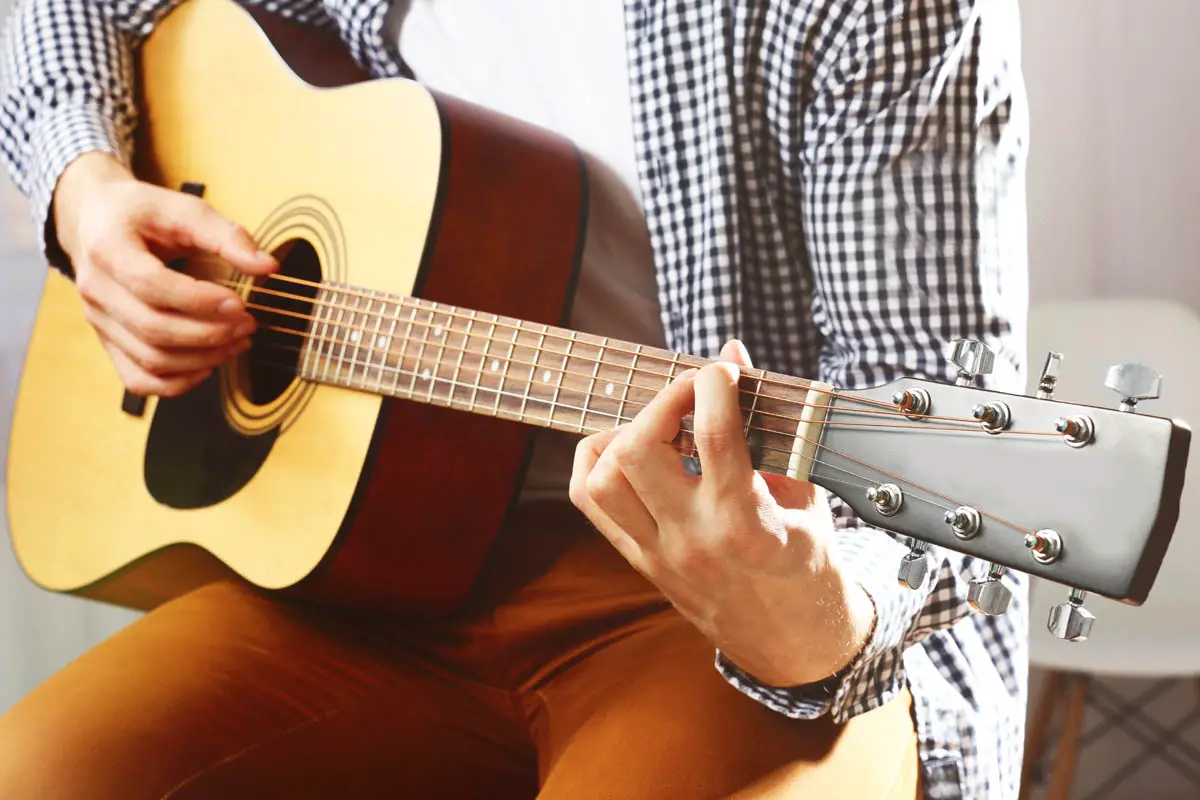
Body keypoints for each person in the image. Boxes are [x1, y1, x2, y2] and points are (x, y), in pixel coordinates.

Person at [0, 0, 1030, 797]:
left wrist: (808, 609)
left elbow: (937, 440)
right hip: (389, 554)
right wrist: (84, 193)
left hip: (717, 608)